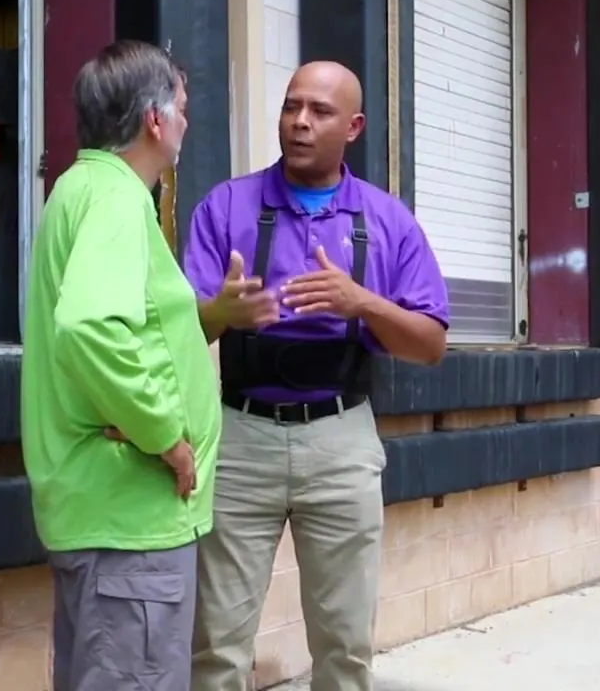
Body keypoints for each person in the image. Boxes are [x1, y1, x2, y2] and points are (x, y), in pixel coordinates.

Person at [184, 60, 450, 691]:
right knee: (216, 644)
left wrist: (363, 303)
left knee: (346, 645)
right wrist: (221, 314)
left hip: (341, 439)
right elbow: (176, 330)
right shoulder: (227, 206)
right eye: (291, 106)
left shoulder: (387, 220)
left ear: (353, 127)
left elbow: (431, 344)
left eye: (319, 111)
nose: (299, 122)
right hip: (240, 435)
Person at [20, 39, 222, 691]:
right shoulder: (115, 199)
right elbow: (90, 325)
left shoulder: (78, 189)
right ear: (154, 120)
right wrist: (164, 435)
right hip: (129, 523)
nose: (187, 121)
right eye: (182, 107)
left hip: (104, 514)